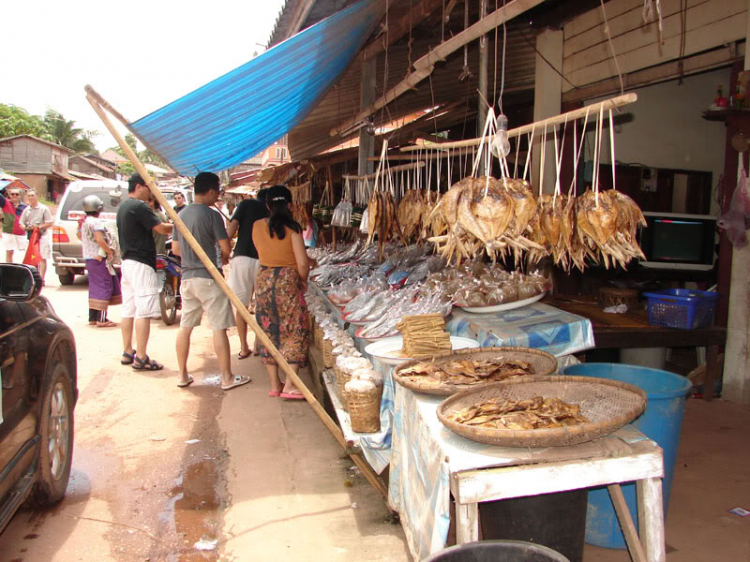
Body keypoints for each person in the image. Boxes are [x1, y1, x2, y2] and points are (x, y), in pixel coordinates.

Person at [172, 172, 250, 391]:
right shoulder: (212, 215)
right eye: (216, 193)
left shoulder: (180, 214)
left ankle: (182, 375)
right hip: (209, 278)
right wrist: (223, 255)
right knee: (218, 327)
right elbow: (225, 248)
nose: (217, 198)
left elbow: (176, 249)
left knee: (185, 327)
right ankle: (226, 377)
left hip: (187, 279)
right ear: (209, 191)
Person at [252, 185, 310, 400]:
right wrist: (302, 281)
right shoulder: (293, 228)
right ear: (289, 205)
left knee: (269, 327)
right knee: (295, 328)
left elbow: (262, 250)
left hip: (264, 278)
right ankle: (291, 384)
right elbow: (302, 263)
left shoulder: (257, 226)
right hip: (287, 280)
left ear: (267, 205)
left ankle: (275, 384)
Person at [116, 173, 173, 371]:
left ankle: (127, 351)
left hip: (128, 262)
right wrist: (178, 225)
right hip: (141, 263)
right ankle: (141, 356)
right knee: (143, 311)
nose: (150, 192)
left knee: (128, 309)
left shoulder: (123, 206)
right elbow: (162, 229)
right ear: (139, 186)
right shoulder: (139, 206)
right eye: (149, 187)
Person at [226, 187, 268, 359]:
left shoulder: (245, 204)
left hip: (242, 257)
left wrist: (224, 248)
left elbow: (233, 226)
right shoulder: (269, 209)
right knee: (261, 304)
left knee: (241, 306)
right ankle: (258, 345)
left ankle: (244, 347)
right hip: (263, 260)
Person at [80, 195, 121, 327]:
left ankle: (92, 317)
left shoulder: (85, 222)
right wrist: (109, 251)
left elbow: (80, 236)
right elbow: (99, 239)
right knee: (105, 285)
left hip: (89, 259)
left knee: (95, 286)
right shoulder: (97, 223)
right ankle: (102, 319)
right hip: (98, 259)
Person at [19, 189, 54, 279]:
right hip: (31, 237)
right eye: (29, 196)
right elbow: (21, 223)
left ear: (37, 196)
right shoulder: (26, 210)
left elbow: (49, 223)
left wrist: (38, 228)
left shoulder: (43, 209)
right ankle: (33, 278)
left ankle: (41, 279)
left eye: (32, 195)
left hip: (42, 236)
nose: (31, 197)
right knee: (32, 257)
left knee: (42, 257)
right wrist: (24, 227)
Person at [0, 188, 28, 263]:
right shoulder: (5, 202)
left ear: (20, 195)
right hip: (8, 231)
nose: (14, 196)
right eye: (12, 194)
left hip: (21, 233)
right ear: (9, 195)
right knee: (9, 252)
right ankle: (9, 269)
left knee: (23, 253)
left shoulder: (25, 207)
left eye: (17, 194)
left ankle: (23, 270)